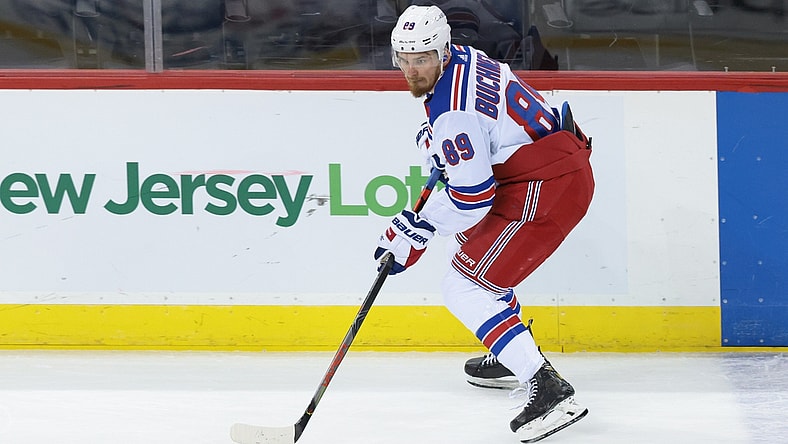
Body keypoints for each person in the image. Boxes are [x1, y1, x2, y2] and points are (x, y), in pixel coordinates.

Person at [373, 4, 593, 442]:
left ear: (441, 50)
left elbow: (473, 197)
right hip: (547, 166)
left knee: (464, 284)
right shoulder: (466, 58)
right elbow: (484, 130)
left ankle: (547, 387)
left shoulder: (451, 108)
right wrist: (437, 142)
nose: (413, 70)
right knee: (478, 254)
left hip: (546, 185)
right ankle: (513, 353)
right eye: (405, 59)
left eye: (423, 59)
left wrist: (418, 228)